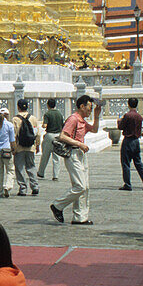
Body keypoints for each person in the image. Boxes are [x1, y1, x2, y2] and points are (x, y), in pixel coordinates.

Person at [49, 94, 100, 226]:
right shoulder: (73, 119)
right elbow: (62, 136)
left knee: (85, 187)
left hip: (81, 154)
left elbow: (94, 129)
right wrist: (79, 144)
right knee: (80, 186)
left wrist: (97, 115)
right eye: (89, 107)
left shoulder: (82, 120)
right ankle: (57, 205)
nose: (90, 109)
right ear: (82, 106)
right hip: (73, 153)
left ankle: (80, 217)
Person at [116, 98, 143, 191]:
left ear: (128, 104)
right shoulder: (139, 116)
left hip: (128, 140)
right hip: (136, 141)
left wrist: (119, 121)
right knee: (138, 162)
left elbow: (121, 127)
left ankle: (127, 184)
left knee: (126, 163)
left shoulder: (127, 115)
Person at [11, 99, 40, 197]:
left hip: (20, 147)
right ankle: (35, 186)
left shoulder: (15, 119)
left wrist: (13, 148)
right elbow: (37, 133)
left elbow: (14, 135)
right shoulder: (33, 118)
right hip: (30, 147)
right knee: (31, 166)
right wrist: (37, 145)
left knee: (20, 168)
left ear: (18, 107)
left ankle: (23, 188)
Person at [0, 108, 16, 198]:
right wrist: (14, 149)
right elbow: (12, 140)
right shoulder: (9, 125)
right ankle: (8, 186)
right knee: (10, 170)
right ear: (7, 115)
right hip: (6, 150)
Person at [36, 98, 64, 182]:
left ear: (48, 105)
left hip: (49, 135)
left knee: (45, 155)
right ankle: (56, 175)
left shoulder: (47, 114)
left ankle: (41, 172)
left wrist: (43, 126)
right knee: (56, 157)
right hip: (58, 136)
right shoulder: (59, 114)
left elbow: (45, 125)